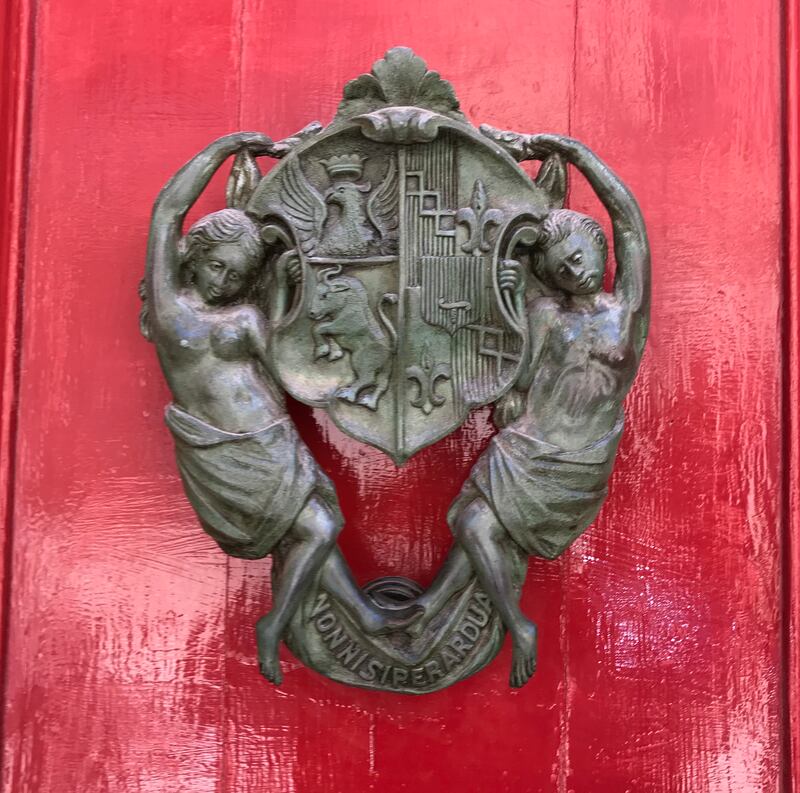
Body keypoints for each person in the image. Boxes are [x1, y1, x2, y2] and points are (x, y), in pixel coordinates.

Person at [144, 133, 411, 685]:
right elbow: (168, 210)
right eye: (216, 266)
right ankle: (276, 624)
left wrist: (287, 293)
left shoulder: (245, 318)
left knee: (322, 520)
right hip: (227, 448)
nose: (223, 281)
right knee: (316, 527)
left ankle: (359, 614)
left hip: (274, 437)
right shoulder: (172, 315)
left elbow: (286, 360)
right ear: (195, 260)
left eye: (237, 276)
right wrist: (223, 147)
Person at [413, 133, 650, 688]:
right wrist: (511, 299)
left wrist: (579, 154)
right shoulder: (549, 315)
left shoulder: (628, 310)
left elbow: (631, 223)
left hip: (580, 457)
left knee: (476, 524)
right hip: (528, 446)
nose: (575, 271)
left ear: (598, 248)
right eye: (562, 268)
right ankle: (499, 621)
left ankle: (491, 618)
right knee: (470, 522)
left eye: (579, 257)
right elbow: (514, 380)